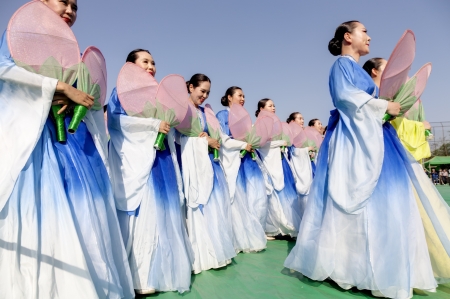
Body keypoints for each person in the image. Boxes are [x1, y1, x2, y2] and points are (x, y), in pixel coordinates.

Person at [284, 21, 438, 298]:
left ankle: (373, 267)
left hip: (374, 138)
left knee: (380, 202)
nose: (369, 36)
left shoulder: (355, 69)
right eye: (364, 31)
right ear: (347, 36)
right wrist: (382, 106)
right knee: (359, 202)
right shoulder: (342, 65)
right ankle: (354, 268)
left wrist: (385, 110)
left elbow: (364, 103)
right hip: (353, 140)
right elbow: (346, 98)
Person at [0, 1, 133, 298]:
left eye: (75, 6)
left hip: (73, 147)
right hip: (34, 145)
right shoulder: (17, 34)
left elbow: (87, 99)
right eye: (63, 1)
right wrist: (56, 86)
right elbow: (3, 71)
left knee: (83, 220)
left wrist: (74, 98)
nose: (70, 9)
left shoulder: (73, 54)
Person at [108, 49, 194, 294]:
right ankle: (138, 277)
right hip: (137, 161)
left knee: (162, 215)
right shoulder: (121, 92)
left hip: (161, 160)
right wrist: (154, 125)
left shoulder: (160, 95)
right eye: (145, 61)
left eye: (153, 62)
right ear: (130, 66)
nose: (151, 66)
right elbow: (117, 123)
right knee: (143, 214)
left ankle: (159, 274)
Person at [364, 56, 450, 284]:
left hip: (404, 156)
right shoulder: (372, 94)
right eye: (386, 68)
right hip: (388, 157)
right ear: (374, 71)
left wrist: (421, 126)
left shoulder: (399, 97)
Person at [177, 74, 236, 274]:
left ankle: (214, 250)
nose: (205, 95)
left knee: (213, 205)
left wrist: (208, 139)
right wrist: (203, 142)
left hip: (208, 162)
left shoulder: (204, 112)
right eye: (202, 91)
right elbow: (177, 138)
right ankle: (201, 254)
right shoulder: (180, 109)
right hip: (189, 162)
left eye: (208, 93)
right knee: (195, 205)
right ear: (190, 87)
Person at [215, 86, 267, 251]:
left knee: (248, 201)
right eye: (239, 95)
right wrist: (243, 144)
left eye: (244, 96)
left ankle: (247, 236)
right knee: (235, 201)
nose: (243, 98)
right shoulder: (223, 115)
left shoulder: (245, 118)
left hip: (245, 163)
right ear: (229, 97)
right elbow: (224, 139)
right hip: (233, 161)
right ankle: (234, 239)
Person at [362, 57, 432, 161]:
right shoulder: (366, 95)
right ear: (374, 71)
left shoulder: (391, 97)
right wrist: (420, 126)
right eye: (388, 68)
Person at [256, 99, 302, 237]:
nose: (273, 107)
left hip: (277, 160)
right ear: (262, 108)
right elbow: (260, 143)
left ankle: (282, 227)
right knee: (271, 194)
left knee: (280, 192)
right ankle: (272, 228)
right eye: (270, 105)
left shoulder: (276, 124)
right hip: (267, 160)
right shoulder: (260, 123)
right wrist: (278, 143)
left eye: (274, 105)